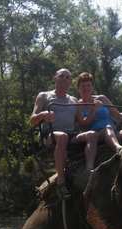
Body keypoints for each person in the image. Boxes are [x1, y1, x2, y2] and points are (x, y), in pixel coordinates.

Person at [30, 68, 100, 200]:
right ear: (55, 79)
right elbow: (33, 121)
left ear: (71, 82)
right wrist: (43, 115)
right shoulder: (44, 96)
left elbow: (83, 123)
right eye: (61, 76)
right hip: (49, 135)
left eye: (67, 77)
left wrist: (94, 110)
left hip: (69, 135)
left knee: (92, 134)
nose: (64, 79)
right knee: (62, 137)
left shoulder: (73, 100)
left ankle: (89, 170)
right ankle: (61, 181)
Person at [76, 72, 122, 153]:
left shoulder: (102, 98)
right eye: (83, 86)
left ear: (93, 88)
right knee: (107, 127)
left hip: (113, 133)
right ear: (78, 88)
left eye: (88, 85)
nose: (86, 88)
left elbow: (118, 116)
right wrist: (94, 109)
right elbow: (84, 125)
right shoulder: (77, 105)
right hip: (96, 135)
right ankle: (119, 149)